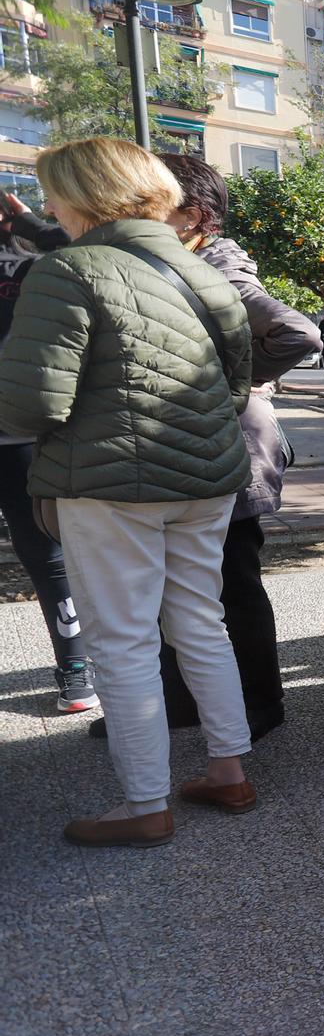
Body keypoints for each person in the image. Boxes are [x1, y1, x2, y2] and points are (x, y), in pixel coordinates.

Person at [0, 138, 253, 849]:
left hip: (110, 484)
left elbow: (29, 406)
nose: (47, 205)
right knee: (201, 622)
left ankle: (145, 803)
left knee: (124, 641)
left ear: (82, 196)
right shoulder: (196, 267)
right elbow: (233, 385)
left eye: (52, 193)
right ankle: (229, 770)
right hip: (207, 478)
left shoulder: (67, 271)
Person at [146, 154, 321, 742]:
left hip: (231, 444)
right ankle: (180, 704)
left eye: (152, 203)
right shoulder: (164, 258)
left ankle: (262, 703)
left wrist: (223, 384)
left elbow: (297, 332)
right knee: (168, 583)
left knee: (233, 579)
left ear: (194, 216)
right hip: (179, 446)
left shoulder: (216, 265)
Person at [0, 194, 96, 713]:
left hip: (19, 431)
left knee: (46, 554)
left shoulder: (39, 261)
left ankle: (78, 671)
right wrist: (33, 225)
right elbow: (86, 253)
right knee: (46, 554)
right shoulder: (40, 258)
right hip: (21, 429)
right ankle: (77, 673)